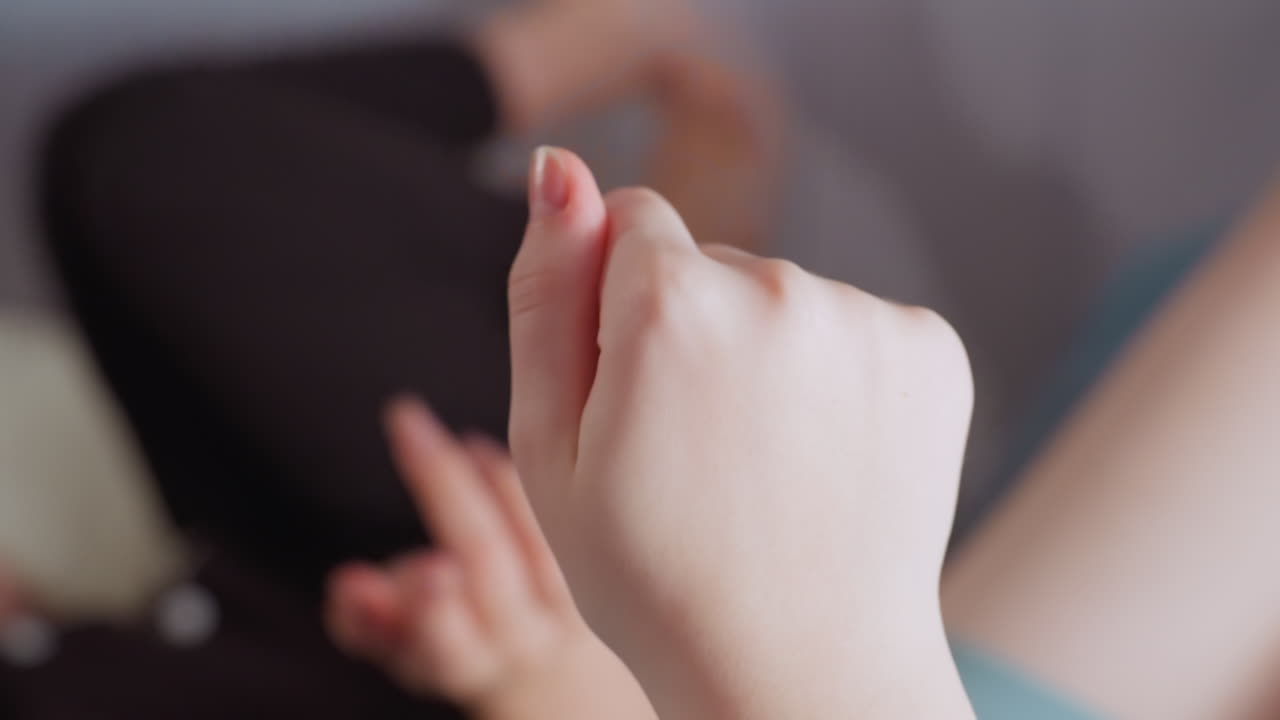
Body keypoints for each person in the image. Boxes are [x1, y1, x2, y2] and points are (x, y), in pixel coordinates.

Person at [22, 0, 776, 716]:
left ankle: (613, 98)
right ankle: (651, 308)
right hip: (508, 661)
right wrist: (554, 690)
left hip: (255, 617)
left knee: (136, 166)